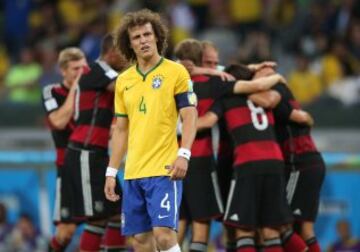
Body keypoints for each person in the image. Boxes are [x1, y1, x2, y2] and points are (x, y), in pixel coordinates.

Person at [174, 39, 288, 252]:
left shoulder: (170, 82)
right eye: (208, 62)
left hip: (178, 160)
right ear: (198, 62)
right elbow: (255, 89)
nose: (214, 67)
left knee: (181, 221)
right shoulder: (219, 86)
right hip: (205, 160)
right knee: (213, 224)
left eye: (216, 63)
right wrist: (276, 77)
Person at [104, 9, 198, 252]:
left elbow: (190, 116)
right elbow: (121, 130)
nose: (143, 40)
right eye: (136, 37)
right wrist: (112, 172)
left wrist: (184, 154)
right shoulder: (124, 81)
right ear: (130, 44)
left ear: (157, 37)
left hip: (165, 169)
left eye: (147, 34)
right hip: (134, 172)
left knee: (164, 236)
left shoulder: (175, 72)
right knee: (141, 241)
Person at [196, 64, 293, 252]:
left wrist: (177, 126)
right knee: (271, 231)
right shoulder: (266, 95)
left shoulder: (227, 98)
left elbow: (207, 121)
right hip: (275, 162)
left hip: (248, 163)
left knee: (243, 231)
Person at [61, 34, 128, 252]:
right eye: (123, 52)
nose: (127, 57)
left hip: (97, 154)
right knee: (97, 218)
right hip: (85, 153)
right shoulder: (99, 70)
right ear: (111, 52)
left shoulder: (98, 73)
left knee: (119, 210)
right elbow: (124, 87)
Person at [253, 66, 326, 252]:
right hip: (310, 163)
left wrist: (235, 88)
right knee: (304, 229)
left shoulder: (277, 89)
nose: (263, 75)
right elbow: (301, 117)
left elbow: (270, 101)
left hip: (299, 164)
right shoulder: (284, 95)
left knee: (280, 224)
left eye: (268, 73)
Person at [42, 47, 87, 251]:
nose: (81, 71)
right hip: (67, 167)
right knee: (66, 232)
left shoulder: (94, 90)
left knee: (114, 218)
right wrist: (77, 89)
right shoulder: (51, 91)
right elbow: (58, 121)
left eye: (84, 67)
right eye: (75, 68)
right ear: (63, 71)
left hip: (94, 163)